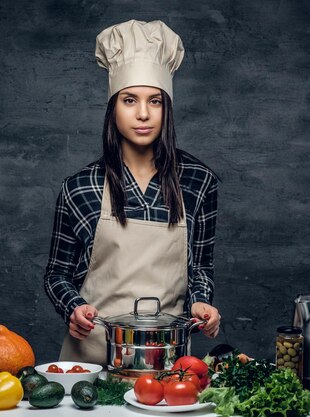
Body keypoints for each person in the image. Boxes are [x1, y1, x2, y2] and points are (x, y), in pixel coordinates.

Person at [43, 19, 221, 366]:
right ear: (114, 108)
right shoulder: (80, 186)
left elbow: (200, 267)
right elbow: (56, 274)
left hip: (167, 363)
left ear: (166, 108)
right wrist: (73, 307)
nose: (143, 113)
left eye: (155, 101)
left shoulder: (199, 181)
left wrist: (201, 302)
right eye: (130, 100)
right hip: (91, 362)